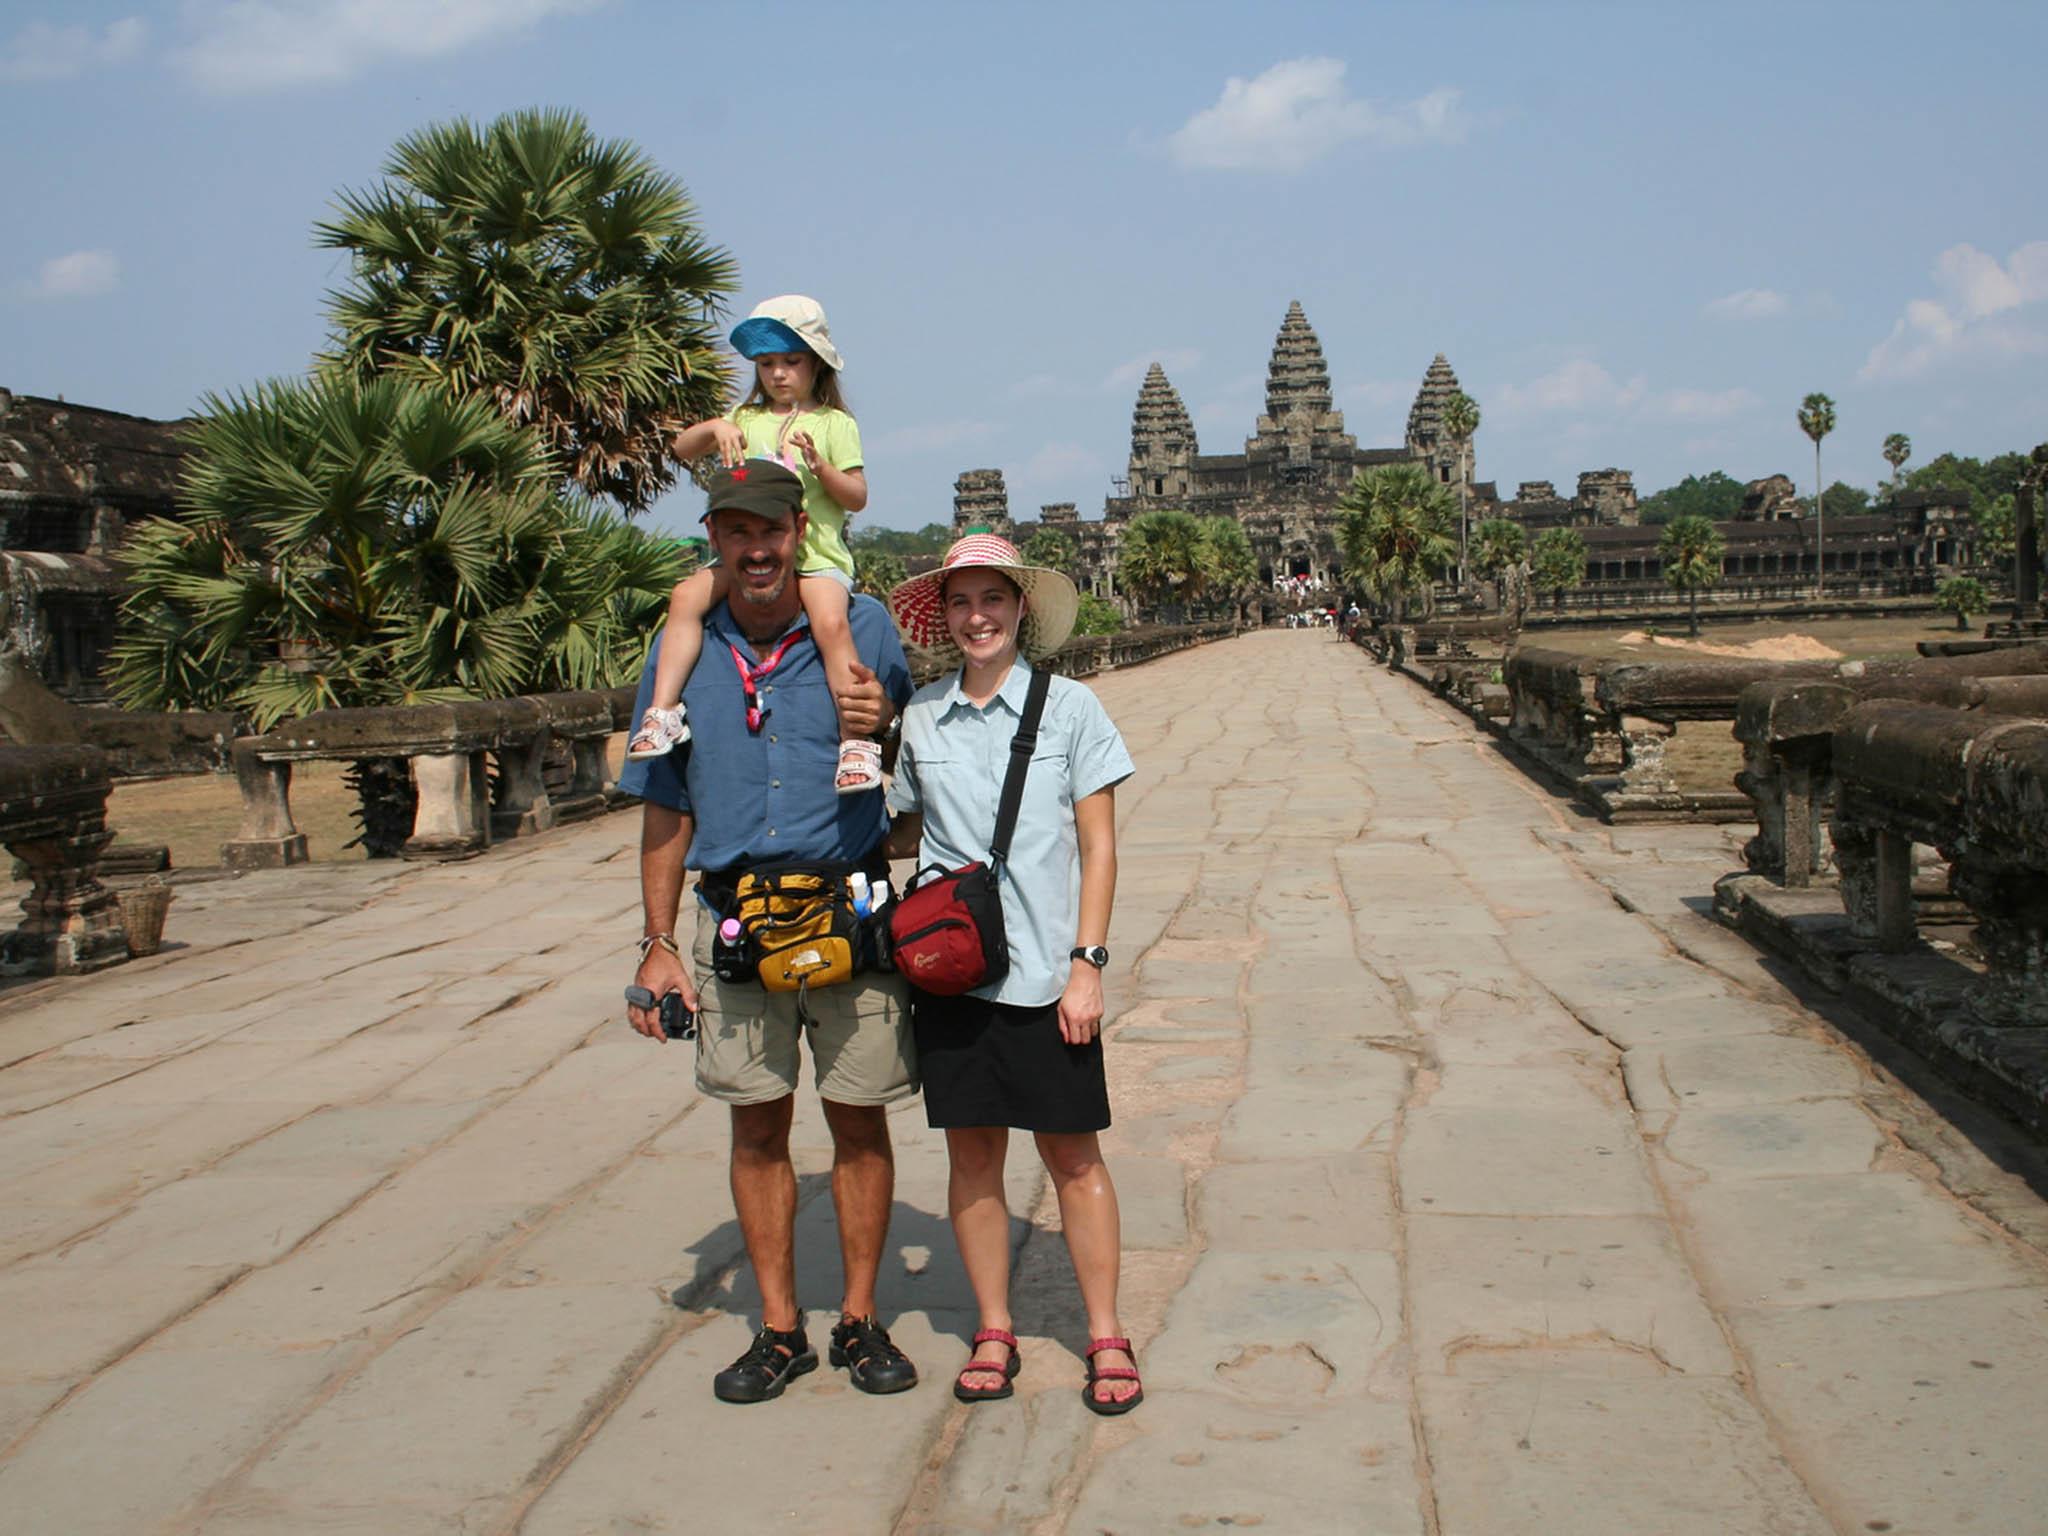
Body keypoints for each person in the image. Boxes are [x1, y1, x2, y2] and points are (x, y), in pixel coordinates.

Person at [623, 459, 920, 1406]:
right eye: (736, 532)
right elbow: (664, 807)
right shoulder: (679, 654)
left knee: (858, 1119)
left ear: (799, 532)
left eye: (772, 530)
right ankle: (782, 1328)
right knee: (757, 1125)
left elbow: (913, 756)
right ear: (713, 538)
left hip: (850, 907)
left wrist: (887, 719)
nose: (757, 549)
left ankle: (862, 1318)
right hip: (735, 914)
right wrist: (656, 942)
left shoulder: (861, 627)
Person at [883, 534, 1144, 1417]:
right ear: (942, 616)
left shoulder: (1070, 709)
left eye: (992, 599)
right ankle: (993, 1325)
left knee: (1074, 1156)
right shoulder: (918, 719)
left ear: (1020, 609)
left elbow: (1100, 846)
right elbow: (899, 835)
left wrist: (1089, 964)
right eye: (960, 603)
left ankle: (1105, 1331)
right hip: (954, 980)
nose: (977, 617)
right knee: (973, 1158)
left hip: (1046, 975)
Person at [628, 295, 882, 796]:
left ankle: (855, 740)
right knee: (685, 598)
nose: (779, 374)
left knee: (832, 623)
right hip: (746, 559)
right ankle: (662, 711)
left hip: (816, 558)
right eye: (767, 364)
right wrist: (716, 427)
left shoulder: (834, 424)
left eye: (791, 361)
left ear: (816, 364)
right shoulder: (744, 417)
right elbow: (682, 448)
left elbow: (857, 497)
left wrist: (821, 468)